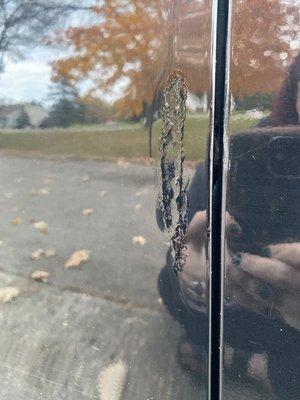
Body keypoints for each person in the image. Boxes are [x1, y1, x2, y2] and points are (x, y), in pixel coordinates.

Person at [157, 53, 300, 398]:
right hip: (245, 297)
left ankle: (244, 355)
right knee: (172, 280)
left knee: (290, 377)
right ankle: (220, 343)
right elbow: (177, 218)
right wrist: (193, 259)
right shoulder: (255, 147)